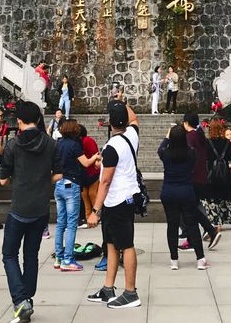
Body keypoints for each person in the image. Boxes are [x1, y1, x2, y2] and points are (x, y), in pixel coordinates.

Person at [0, 100, 58, 323]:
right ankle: (28, 299)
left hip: (19, 208)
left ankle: (20, 299)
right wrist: (42, 181)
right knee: (31, 255)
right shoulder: (51, 143)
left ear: (20, 121)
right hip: (41, 208)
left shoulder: (13, 145)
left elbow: (4, 179)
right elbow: (59, 173)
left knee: (9, 254)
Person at [87, 102, 141, 308]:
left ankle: (130, 292)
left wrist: (95, 211)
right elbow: (135, 119)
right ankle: (108, 288)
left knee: (126, 245)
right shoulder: (132, 135)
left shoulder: (111, 147)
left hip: (118, 200)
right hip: (121, 199)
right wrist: (123, 103)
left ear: (109, 122)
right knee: (110, 243)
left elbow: (105, 182)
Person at [158, 124, 207, 269]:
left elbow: (160, 149)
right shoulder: (191, 153)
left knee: (172, 226)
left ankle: (174, 260)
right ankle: (200, 259)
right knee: (192, 225)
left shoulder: (165, 153)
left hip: (169, 192)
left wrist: (167, 137)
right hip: (186, 191)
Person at [53, 119, 100, 271]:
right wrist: (95, 157)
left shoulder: (58, 144)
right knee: (72, 223)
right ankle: (68, 260)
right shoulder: (74, 145)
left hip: (59, 184)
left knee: (61, 222)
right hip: (71, 184)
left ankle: (59, 258)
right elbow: (86, 163)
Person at [180, 113, 221, 250]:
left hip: (192, 178)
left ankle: (208, 232)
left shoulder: (190, 138)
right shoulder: (199, 135)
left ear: (186, 123)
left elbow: (188, 158)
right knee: (191, 208)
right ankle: (202, 234)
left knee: (189, 209)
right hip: (201, 177)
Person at [203, 118, 231, 230]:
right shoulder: (227, 142)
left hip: (212, 174)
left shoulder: (207, 142)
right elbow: (229, 157)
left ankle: (217, 223)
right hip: (224, 173)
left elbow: (206, 158)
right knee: (228, 198)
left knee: (212, 198)